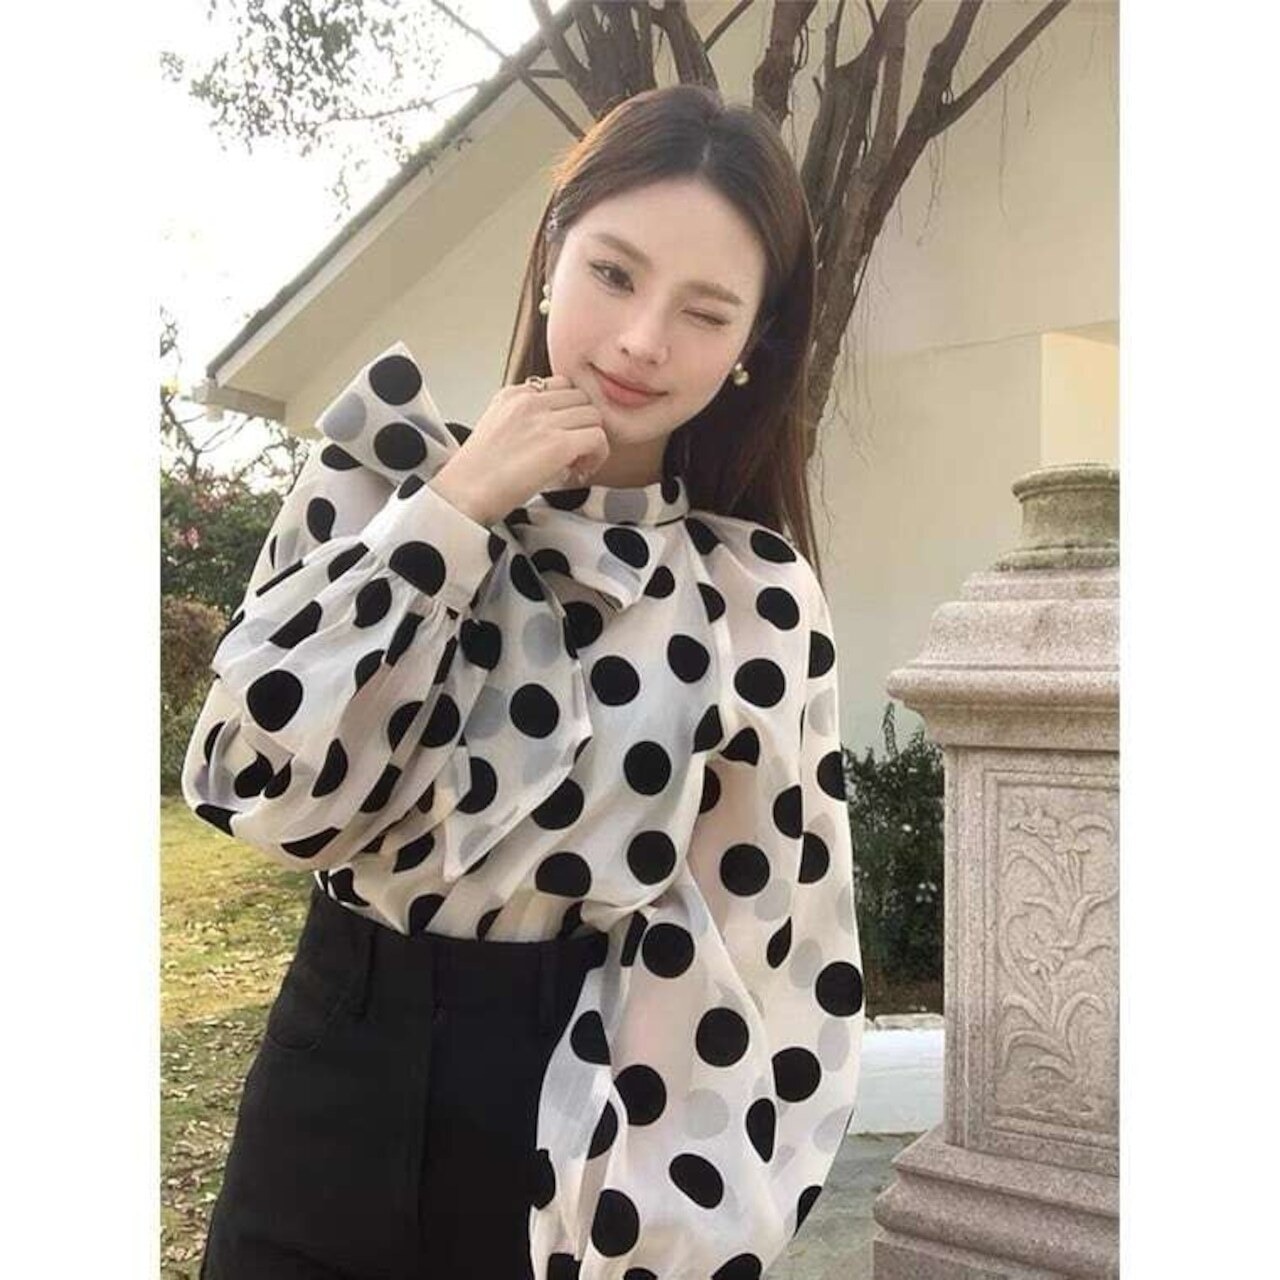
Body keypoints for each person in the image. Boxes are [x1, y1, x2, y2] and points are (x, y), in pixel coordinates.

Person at [183, 83, 865, 1280]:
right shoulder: (377, 476)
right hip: (330, 1075)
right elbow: (254, 783)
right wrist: (451, 512)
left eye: (704, 310)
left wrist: (677, 1226)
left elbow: (770, 947)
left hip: (573, 1110)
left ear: (750, 348)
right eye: (612, 272)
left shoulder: (752, 597)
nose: (641, 338)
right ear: (550, 254)